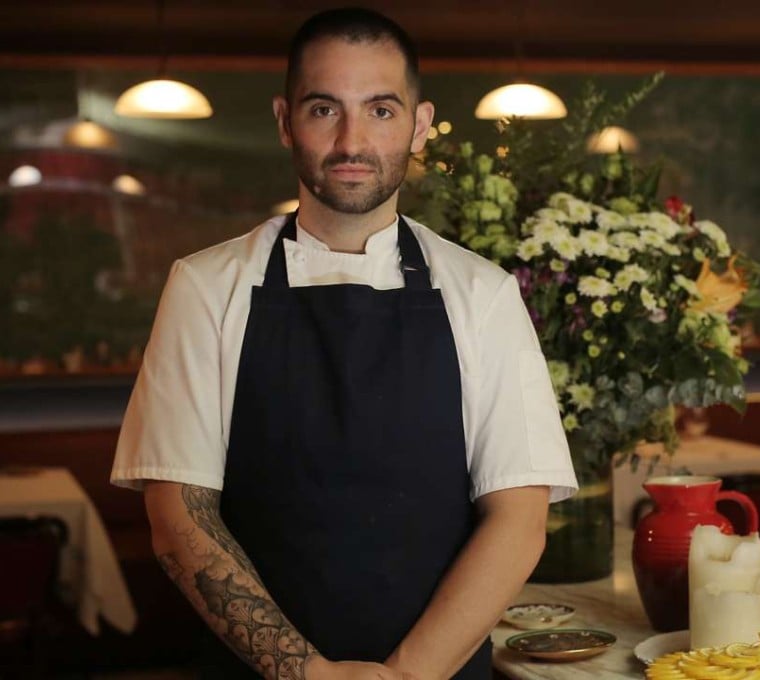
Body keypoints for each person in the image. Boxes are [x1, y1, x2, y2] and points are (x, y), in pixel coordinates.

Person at [110, 7, 577, 679]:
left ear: (419, 125)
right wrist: (306, 673)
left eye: (381, 110)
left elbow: (518, 519)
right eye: (325, 109)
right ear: (284, 120)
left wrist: (405, 675)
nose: (352, 140)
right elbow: (179, 518)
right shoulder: (205, 287)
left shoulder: (483, 294)